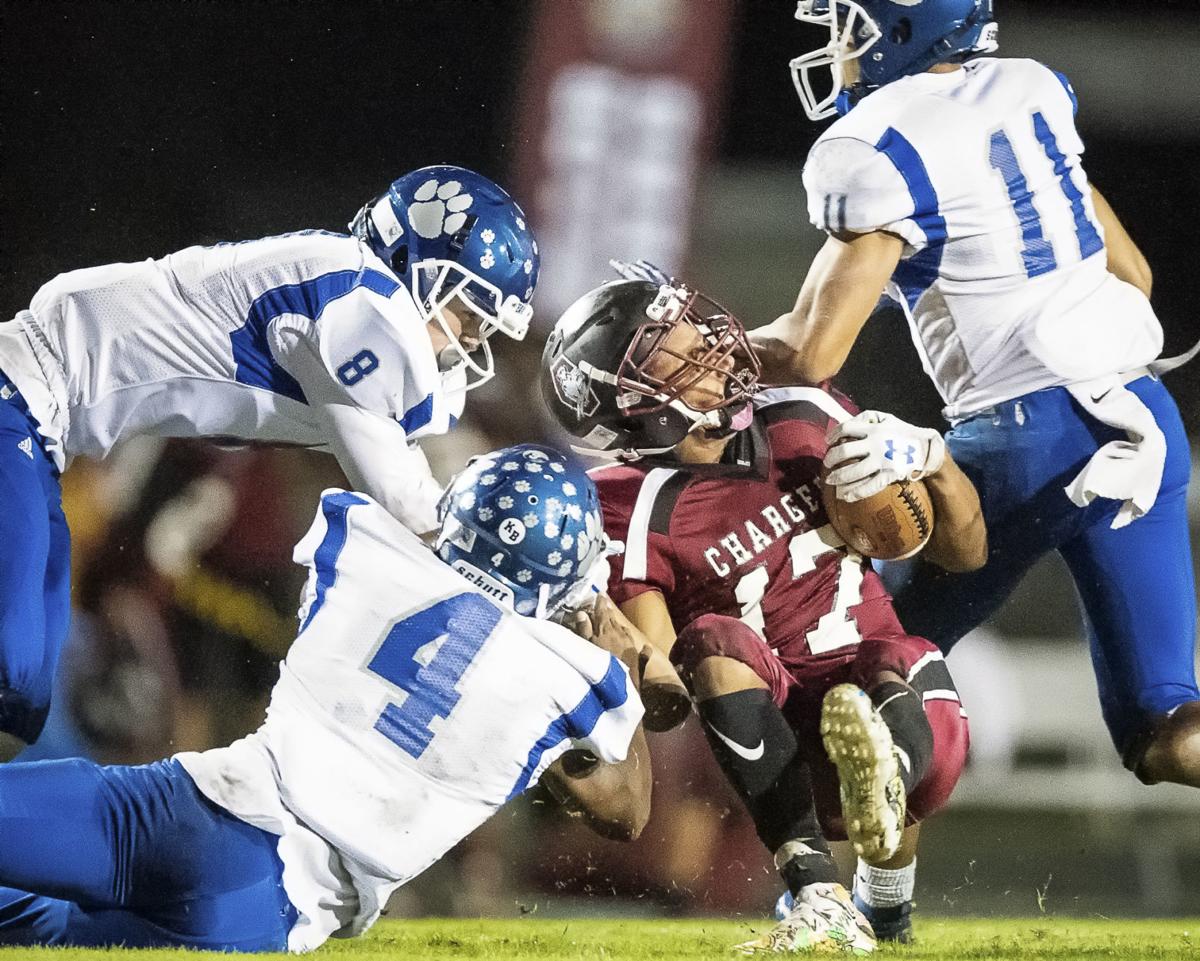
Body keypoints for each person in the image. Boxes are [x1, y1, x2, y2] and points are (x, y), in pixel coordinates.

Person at [748, 0, 1200, 791]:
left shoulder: (882, 144)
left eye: (847, 27)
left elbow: (812, 351)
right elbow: (1134, 277)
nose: (835, 48)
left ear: (899, 32)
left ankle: (847, 906)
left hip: (1025, 436)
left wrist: (707, 347)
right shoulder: (1031, 91)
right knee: (1166, 730)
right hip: (1142, 420)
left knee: (854, 670)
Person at [0, 444, 653, 952]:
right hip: (266, 909)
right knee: (45, 935)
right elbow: (626, 811)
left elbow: (439, 579)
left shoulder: (365, 544)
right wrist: (620, 664)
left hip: (185, 806)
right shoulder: (566, 674)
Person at [0, 164, 540, 758]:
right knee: (12, 663)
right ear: (419, 264)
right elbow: (409, 506)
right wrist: (531, 587)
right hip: (20, 396)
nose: (468, 342)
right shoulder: (365, 304)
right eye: (467, 312)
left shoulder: (343, 288)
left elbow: (427, 472)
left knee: (23, 699)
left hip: (42, 428)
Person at [541, 278, 982, 952]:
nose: (709, 343)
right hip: (780, 747)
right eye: (669, 342)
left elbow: (967, 551)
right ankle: (819, 893)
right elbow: (661, 681)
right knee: (713, 639)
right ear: (634, 403)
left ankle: (882, 881)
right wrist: (585, 613)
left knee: (890, 662)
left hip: (910, 706)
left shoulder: (804, 409)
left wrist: (937, 461)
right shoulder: (626, 507)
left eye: (692, 323)